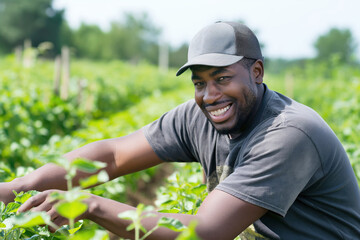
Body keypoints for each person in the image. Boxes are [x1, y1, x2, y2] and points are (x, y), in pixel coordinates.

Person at [1, 21, 360, 240]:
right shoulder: (200, 115)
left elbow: (206, 232)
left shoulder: (289, 134)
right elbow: (112, 156)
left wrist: (90, 204)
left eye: (222, 78)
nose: (210, 94)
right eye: (200, 83)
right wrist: (19, 187)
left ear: (257, 73)